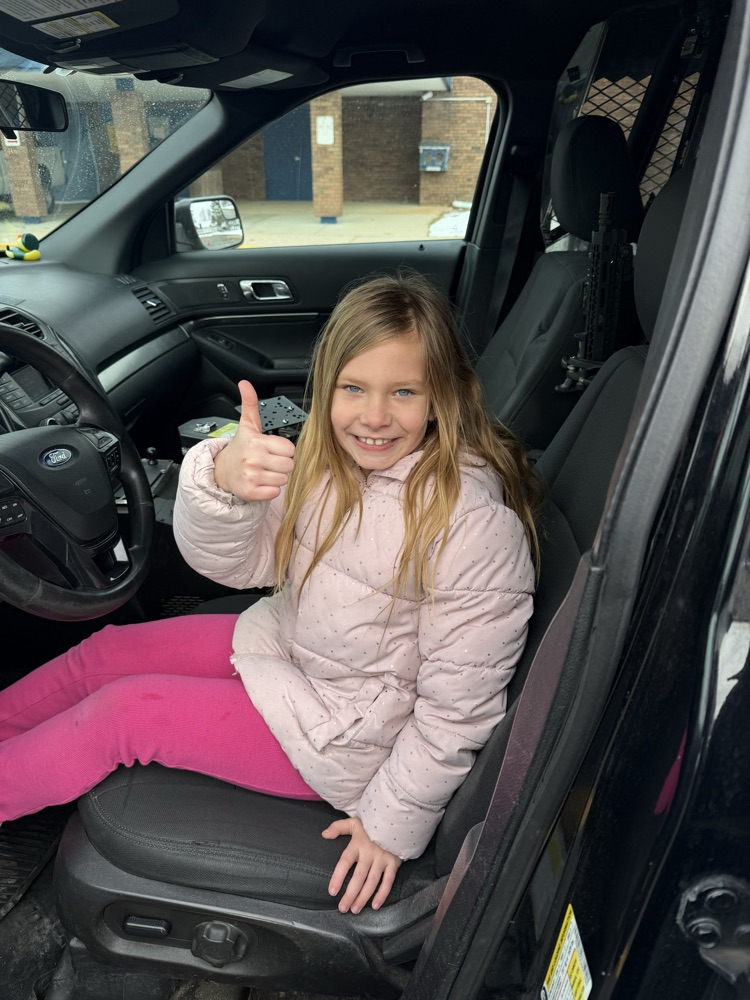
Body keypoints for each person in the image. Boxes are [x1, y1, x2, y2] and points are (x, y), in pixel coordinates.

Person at [0, 273, 538, 914]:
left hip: (346, 738)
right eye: (353, 389)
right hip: (293, 649)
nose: (373, 415)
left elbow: (460, 711)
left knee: (123, 714)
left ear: (444, 396)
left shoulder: (470, 525)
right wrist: (222, 481)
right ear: (327, 388)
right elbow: (240, 563)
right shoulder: (332, 461)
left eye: (403, 392)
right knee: (107, 652)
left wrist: (390, 824)